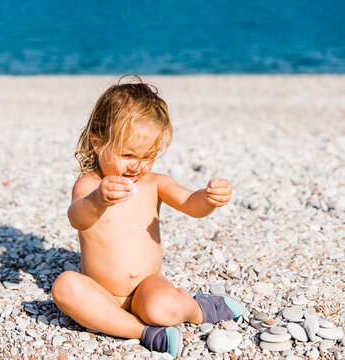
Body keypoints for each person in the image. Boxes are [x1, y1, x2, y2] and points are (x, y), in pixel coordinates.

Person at [50, 75, 247, 357]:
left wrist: (208, 198)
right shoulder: (90, 186)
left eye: (147, 156)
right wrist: (98, 200)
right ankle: (142, 332)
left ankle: (199, 307)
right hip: (101, 291)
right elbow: (77, 218)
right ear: (97, 143)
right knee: (64, 287)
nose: (137, 166)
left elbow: (191, 205)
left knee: (162, 309)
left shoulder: (155, 183)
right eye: (128, 154)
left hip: (147, 285)